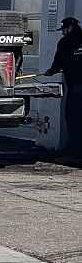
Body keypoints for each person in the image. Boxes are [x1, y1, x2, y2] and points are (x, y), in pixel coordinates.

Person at [43, 17, 82, 164]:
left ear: (70, 28)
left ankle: (73, 154)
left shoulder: (66, 42)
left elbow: (59, 62)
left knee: (73, 119)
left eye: (64, 30)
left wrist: (50, 71)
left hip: (77, 87)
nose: (63, 33)